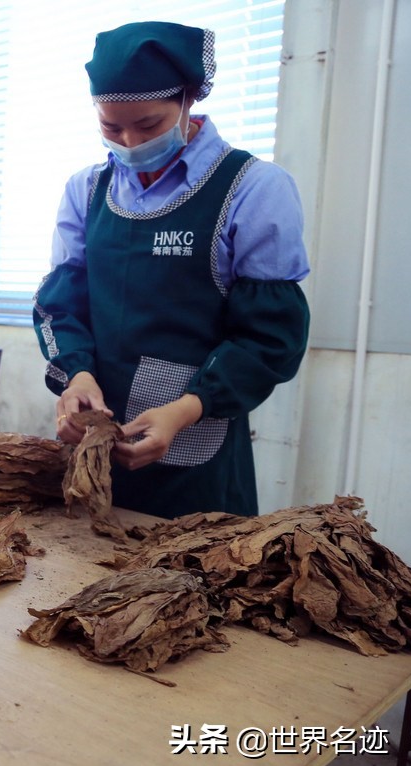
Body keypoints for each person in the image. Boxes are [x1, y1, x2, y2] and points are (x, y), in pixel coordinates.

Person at [32, 21, 311, 519]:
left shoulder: (253, 188)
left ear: (188, 101)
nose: (129, 141)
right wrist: (76, 377)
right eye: (110, 128)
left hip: (195, 455)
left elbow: (270, 338)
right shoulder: (86, 190)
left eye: (149, 125)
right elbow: (60, 303)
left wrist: (187, 409)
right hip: (94, 444)